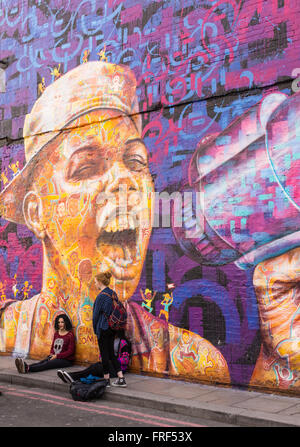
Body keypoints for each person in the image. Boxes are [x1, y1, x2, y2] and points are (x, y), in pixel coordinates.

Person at [0, 61, 230, 385]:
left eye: (135, 161)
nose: (125, 179)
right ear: (37, 214)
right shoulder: (7, 331)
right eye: (86, 167)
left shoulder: (193, 360)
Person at [57, 329, 131, 384]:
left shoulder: (123, 342)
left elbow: (125, 360)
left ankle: (72, 376)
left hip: (116, 369)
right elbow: (102, 354)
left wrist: (112, 360)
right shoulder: (108, 340)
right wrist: (103, 358)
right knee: (92, 369)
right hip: (106, 366)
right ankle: (71, 376)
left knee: (95, 368)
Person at [92, 272, 126, 387]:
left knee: (104, 354)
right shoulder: (113, 293)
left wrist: (95, 329)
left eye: (96, 281)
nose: (95, 283)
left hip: (103, 327)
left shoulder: (101, 296)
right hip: (113, 328)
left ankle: (106, 380)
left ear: (100, 282)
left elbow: (95, 315)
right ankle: (121, 378)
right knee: (112, 354)